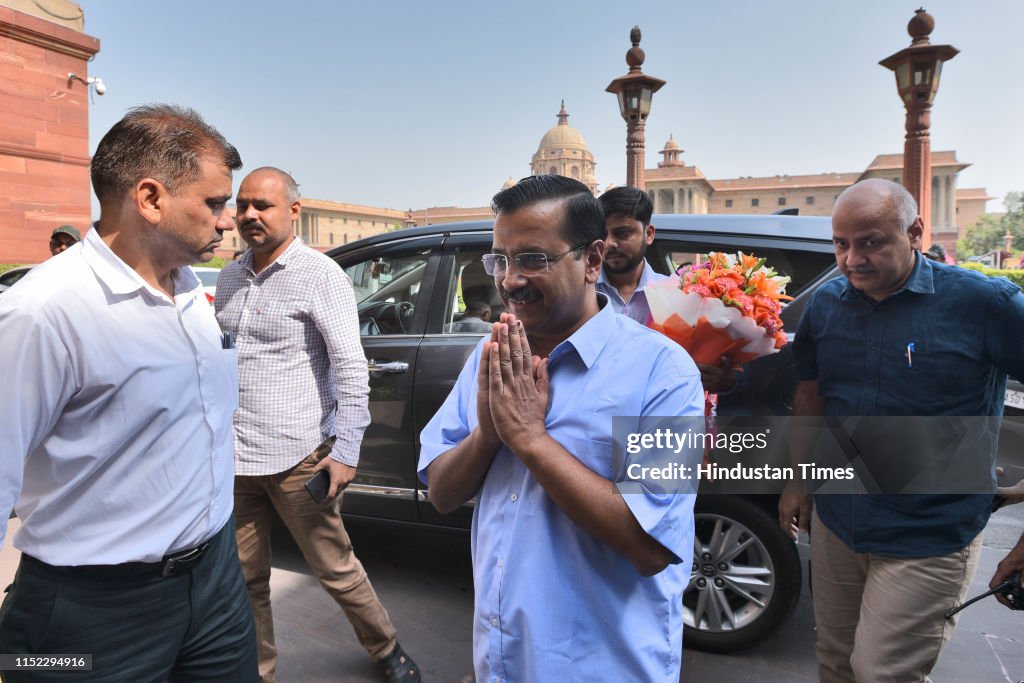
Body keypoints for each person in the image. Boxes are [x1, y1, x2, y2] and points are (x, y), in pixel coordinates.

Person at [0, 104, 256, 681]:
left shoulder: (191, 291)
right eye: (214, 203)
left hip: (215, 585)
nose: (227, 221)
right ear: (150, 199)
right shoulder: (41, 314)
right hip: (85, 617)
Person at [418, 175, 705, 681]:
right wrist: (489, 434)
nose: (508, 280)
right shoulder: (491, 359)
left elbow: (649, 546)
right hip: (501, 664)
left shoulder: (663, 372)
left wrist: (530, 440)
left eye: (532, 259)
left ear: (592, 259)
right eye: (499, 260)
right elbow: (441, 492)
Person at [780, 178, 1024, 682]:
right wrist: (798, 480)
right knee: (834, 662)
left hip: (932, 532)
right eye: (841, 244)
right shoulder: (826, 306)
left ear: (914, 232)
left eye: (870, 241)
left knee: (882, 674)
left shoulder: (986, 304)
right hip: (840, 523)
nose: (851, 259)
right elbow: (811, 396)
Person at [215, 167, 419, 683]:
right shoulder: (230, 275)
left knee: (335, 566)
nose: (250, 216)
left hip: (298, 455)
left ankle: (387, 649)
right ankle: (259, 671)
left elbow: (350, 367)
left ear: (294, 212)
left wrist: (347, 450)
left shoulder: (321, 274)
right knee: (246, 579)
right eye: (243, 206)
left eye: (262, 205)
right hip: (236, 459)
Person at [598, 185, 737, 393]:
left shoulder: (682, 294)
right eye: (603, 235)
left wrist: (725, 381)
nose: (609, 243)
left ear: (649, 234)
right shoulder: (578, 292)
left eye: (622, 233)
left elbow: (712, 366)